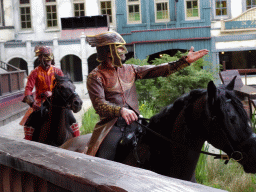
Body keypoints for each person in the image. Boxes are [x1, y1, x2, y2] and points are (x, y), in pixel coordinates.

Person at [85, 31, 209, 161]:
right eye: (119, 48)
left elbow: (155, 69)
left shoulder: (130, 69)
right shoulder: (95, 76)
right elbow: (99, 105)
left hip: (136, 122)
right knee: (105, 157)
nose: (124, 51)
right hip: (111, 127)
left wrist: (184, 62)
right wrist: (121, 110)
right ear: (108, 52)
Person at [20, 46, 80, 140]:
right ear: (40, 58)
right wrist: (32, 102)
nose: (49, 61)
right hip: (41, 103)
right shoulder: (34, 73)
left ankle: (78, 141)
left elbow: (65, 86)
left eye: (49, 58)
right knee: (30, 122)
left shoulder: (57, 71)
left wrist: (52, 93)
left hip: (57, 101)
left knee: (72, 119)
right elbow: (28, 89)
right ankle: (29, 144)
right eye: (46, 58)